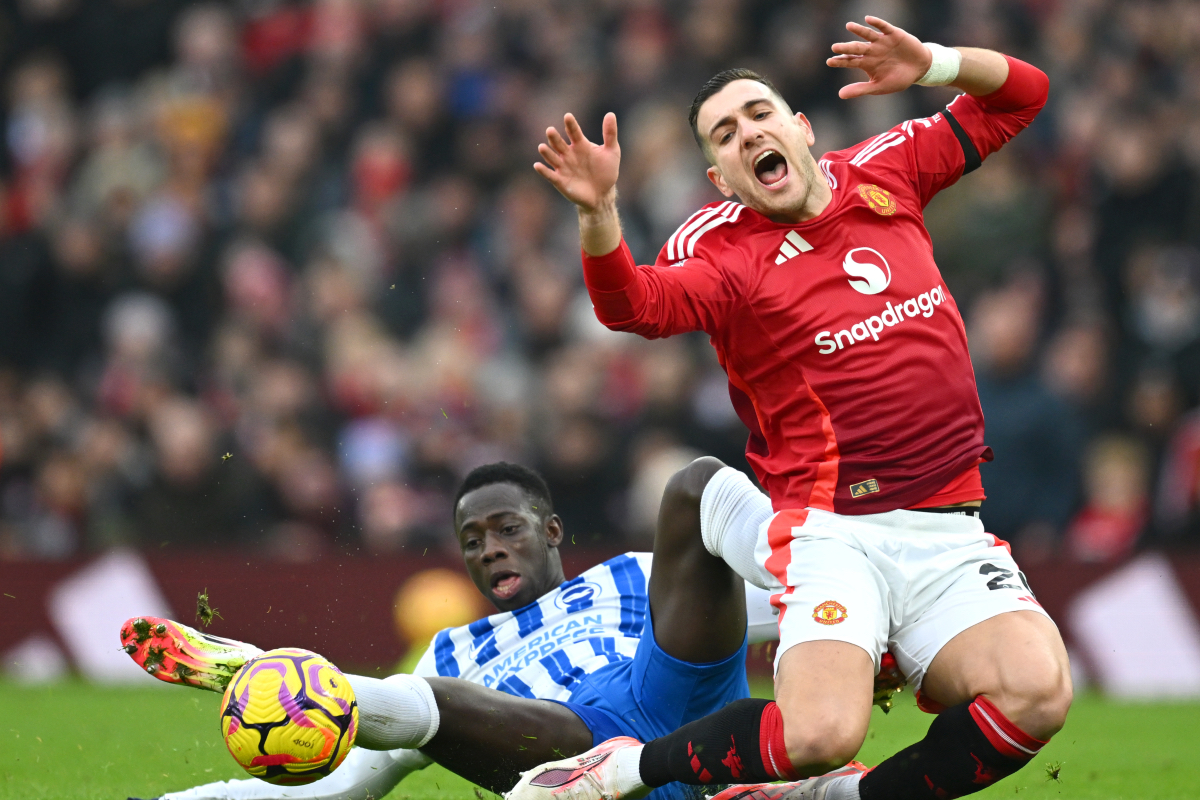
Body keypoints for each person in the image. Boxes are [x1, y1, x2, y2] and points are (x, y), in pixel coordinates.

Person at [513, 15, 1071, 800]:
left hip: (948, 526)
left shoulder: (890, 168)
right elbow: (632, 306)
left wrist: (933, 64)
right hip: (833, 529)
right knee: (818, 734)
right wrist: (598, 213)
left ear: (801, 128)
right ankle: (622, 769)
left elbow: (1024, 95)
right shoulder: (722, 250)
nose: (747, 136)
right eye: (724, 136)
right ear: (720, 178)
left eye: (758, 115)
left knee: (1039, 693)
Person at [126, 460, 865, 800]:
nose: (488, 548)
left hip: (671, 688)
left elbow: (795, 614)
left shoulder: (626, 573)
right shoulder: (449, 652)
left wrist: (867, 635)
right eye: (471, 539)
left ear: (550, 530)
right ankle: (283, 681)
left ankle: (278, 671)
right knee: (422, 702)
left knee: (695, 486)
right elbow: (338, 787)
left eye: (505, 528)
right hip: (567, 754)